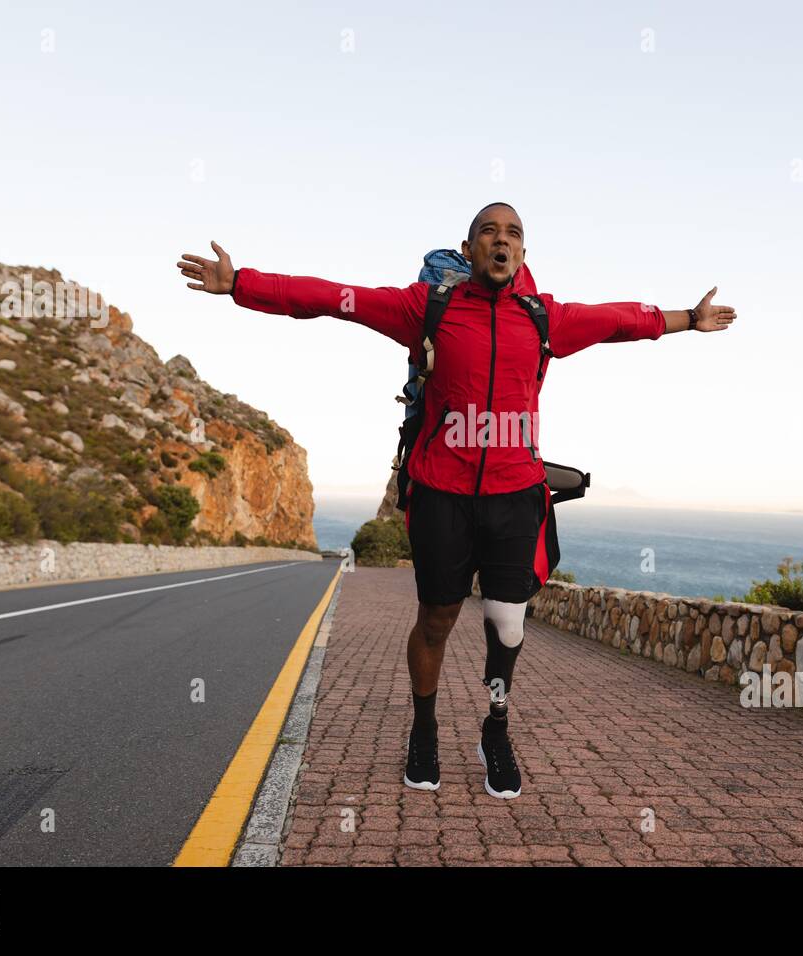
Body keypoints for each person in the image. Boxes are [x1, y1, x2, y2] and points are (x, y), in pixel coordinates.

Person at [177, 203, 737, 799]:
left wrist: (688, 319)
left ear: (524, 253)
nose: (502, 241)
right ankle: (424, 729)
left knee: (507, 623)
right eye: (489, 233)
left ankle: (496, 729)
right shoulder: (428, 308)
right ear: (468, 250)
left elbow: (622, 320)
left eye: (513, 234)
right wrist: (241, 284)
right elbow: (332, 297)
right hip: (443, 492)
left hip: (515, 494)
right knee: (437, 620)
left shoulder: (545, 318)